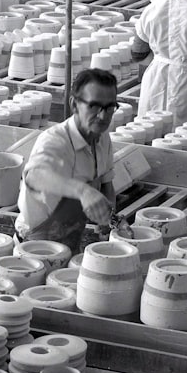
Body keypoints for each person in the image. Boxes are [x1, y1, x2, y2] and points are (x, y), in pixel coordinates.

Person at [16, 68, 119, 252]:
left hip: (70, 241)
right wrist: (83, 191)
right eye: (94, 106)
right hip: (36, 246)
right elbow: (34, 176)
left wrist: (110, 220)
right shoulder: (55, 141)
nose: (103, 116)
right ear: (74, 104)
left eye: (110, 107)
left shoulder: (102, 138)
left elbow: (106, 185)